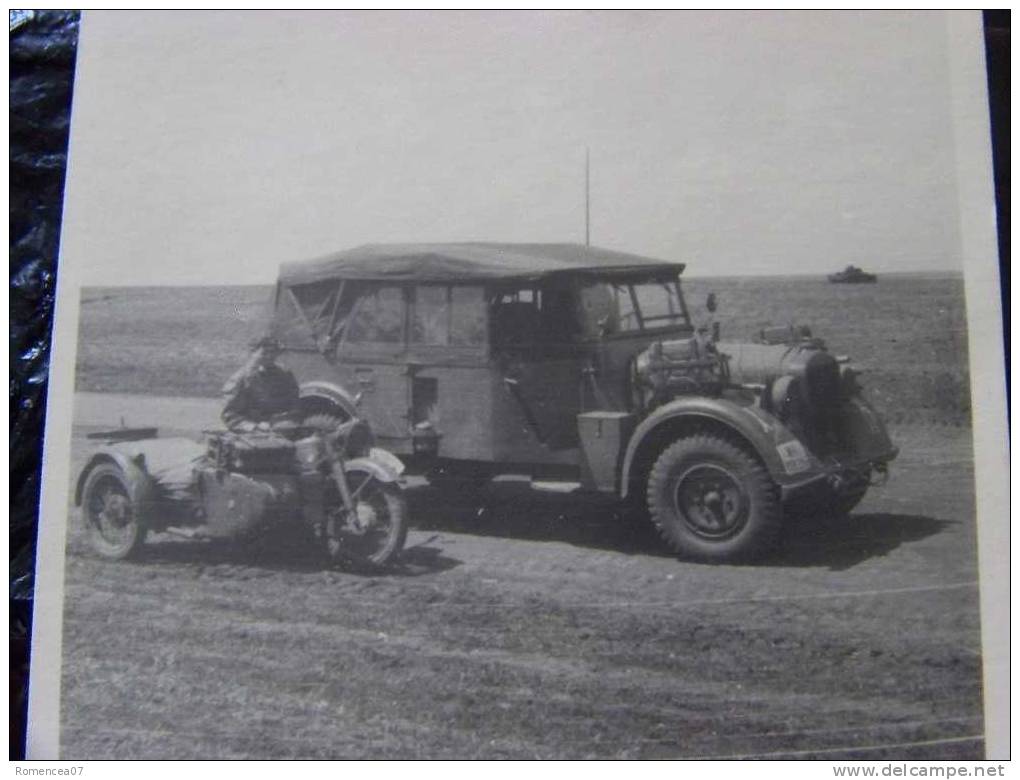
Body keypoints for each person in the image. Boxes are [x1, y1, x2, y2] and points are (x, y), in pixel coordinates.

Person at [221, 336, 301, 432]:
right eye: (264, 353)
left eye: (273, 352)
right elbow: (230, 415)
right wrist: (254, 427)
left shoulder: (285, 375)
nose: (269, 356)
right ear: (253, 353)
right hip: (253, 433)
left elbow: (294, 404)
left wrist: (289, 420)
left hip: (283, 429)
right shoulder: (240, 379)